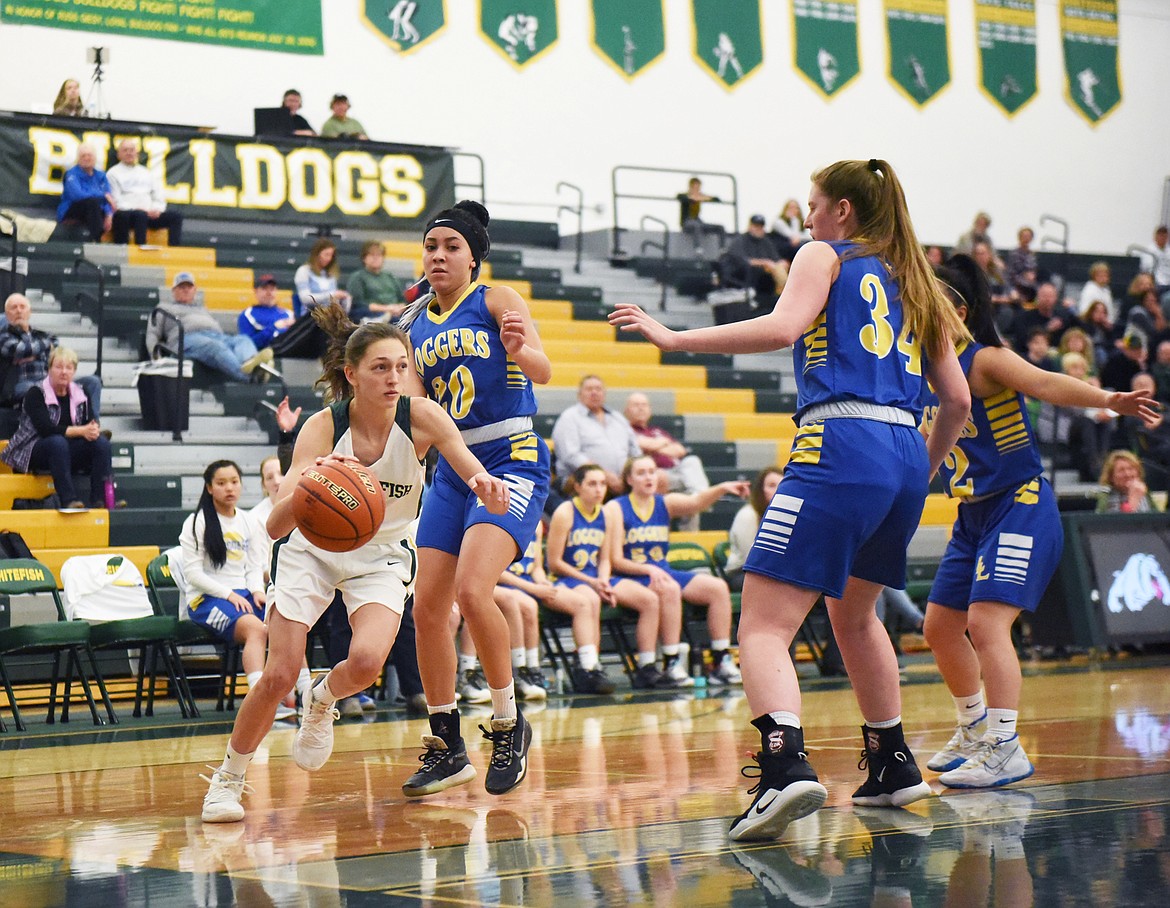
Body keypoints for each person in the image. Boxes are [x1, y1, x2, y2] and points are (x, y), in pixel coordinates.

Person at [610, 158, 973, 842]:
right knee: (857, 618)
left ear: (841, 210)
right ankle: (892, 763)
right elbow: (955, 401)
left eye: (813, 205)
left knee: (763, 624)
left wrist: (674, 337)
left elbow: (783, 327)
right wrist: (918, 472)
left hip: (840, 437)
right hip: (901, 451)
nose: (805, 218)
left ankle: (784, 766)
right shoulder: (919, 282)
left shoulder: (823, 254)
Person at [200, 310, 510, 822]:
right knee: (278, 673)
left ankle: (322, 699)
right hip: (310, 550)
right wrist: (304, 492)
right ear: (351, 375)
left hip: (382, 554)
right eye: (380, 368)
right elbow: (276, 527)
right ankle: (228, 781)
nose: (394, 378)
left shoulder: (425, 417)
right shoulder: (322, 428)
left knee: (366, 663)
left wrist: (488, 489)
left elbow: (473, 472)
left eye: (401, 367)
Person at [920, 254, 1156, 790]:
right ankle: (976, 728)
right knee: (939, 627)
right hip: (973, 512)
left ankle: (1005, 745)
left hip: (1019, 502)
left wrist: (1107, 400)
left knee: (985, 624)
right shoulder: (925, 367)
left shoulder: (984, 360)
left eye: (923, 297)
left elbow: (1047, 383)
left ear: (955, 308)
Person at [400, 199, 551, 799]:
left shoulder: (497, 300)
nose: (438, 255)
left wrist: (519, 350)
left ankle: (509, 722)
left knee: (472, 589)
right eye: (431, 246)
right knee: (428, 606)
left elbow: (541, 369)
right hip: (450, 470)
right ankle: (446, 743)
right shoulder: (412, 322)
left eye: (451, 246)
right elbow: (416, 417)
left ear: (473, 256)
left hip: (511, 458)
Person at [606, 455, 748, 686]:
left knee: (717, 588)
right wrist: (649, 570)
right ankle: (671, 663)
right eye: (641, 473)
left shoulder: (665, 502)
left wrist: (722, 488)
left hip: (661, 571)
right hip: (630, 575)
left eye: (652, 471)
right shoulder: (616, 508)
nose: (648, 477)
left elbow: (697, 503)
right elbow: (614, 560)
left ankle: (721, 660)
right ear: (629, 479)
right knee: (669, 589)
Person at [181, 459, 273, 723]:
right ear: (209, 488)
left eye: (234, 482)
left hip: (242, 595)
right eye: (221, 483)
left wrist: (257, 590)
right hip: (206, 600)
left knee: (283, 621)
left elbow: (254, 565)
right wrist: (229, 594)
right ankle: (260, 703)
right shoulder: (196, 522)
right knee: (256, 629)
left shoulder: (249, 521)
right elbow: (193, 575)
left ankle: (300, 695)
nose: (229, 488)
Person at [0, 346, 114, 510]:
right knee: (56, 442)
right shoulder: (36, 393)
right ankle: (69, 500)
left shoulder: (82, 393)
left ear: (74, 372)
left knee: (101, 444)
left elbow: (88, 423)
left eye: (69, 368)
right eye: (59, 367)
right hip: (32, 449)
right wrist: (82, 431)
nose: (64, 372)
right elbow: (46, 429)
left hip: (65, 449)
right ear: (49, 369)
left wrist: (93, 430)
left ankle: (100, 500)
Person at [544, 463, 620, 694]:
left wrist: (603, 581)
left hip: (591, 579)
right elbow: (554, 562)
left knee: (594, 598)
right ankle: (587, 667)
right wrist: (591, 583)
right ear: (577, 487)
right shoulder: (565, 512)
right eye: (592, 484)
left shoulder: (605, 514)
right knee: (589, 600)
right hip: (562, 579)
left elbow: (605, 559)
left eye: (603, 484)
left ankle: (589, 665)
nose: (599, 489)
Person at [145, 273, 276, 382]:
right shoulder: (164, 308)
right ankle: (250, 377)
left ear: (194, 290)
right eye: (181, 287)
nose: (185, 289)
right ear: (174, 290)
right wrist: (156, 358)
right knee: (215, 347)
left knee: (242, 339)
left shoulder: (202, 309)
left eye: (189, 286)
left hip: (216, 336)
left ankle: (250, 362)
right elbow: (152, 333)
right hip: (187, 339)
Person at [1, 292, 102, 416]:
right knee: (37, 389)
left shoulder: (41, 334)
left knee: (93, 382)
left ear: (29, 312)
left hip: (50, 380)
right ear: (7, 314)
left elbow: (55, 345)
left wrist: (33, 353)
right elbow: (20, 349)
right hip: (22, 383)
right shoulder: (4, 336)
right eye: (14, 307)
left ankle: (93, 426)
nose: (19, 311)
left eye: (22, 307)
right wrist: (42, 348)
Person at [551, 374, 641, 495]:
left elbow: (635, 451)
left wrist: (633, 473)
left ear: (604, 393)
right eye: (589, 389)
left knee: (654, 478)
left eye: (598, 389)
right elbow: (570, 456)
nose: (594, 392)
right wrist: (603, 475)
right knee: (594, 482)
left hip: (624, 480)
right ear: (579, 394)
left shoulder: (618, 418)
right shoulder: (569, 418)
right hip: (582, 480)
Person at [623, 392, 710, 496]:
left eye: (644, 405)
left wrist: (653, 445)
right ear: (627, 411)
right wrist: (662, 442)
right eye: (636, 405)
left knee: (692, 461)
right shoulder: (626, 431)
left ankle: (701, 497)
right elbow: (644, 444)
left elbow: (680, 450)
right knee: (660, 476)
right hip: (654, 475)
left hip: (676, 473)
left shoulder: (656, 431)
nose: (641, 408)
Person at [105, 138, 184, 246]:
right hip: (128, 215)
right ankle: (141, 247)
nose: (129, 153)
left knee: (176, 216)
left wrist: (156, 210)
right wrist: (136, 209)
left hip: (149, 214)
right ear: (119, 155)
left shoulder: (146, 173)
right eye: (125, 150)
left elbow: (158, 196)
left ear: (137, 153)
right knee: (139, 215)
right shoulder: (113, 173)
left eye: (132, 150)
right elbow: (116, 201)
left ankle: (175, 251)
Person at [724, 466, 783, 591]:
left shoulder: (785, 516)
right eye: (772, 485)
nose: (778, 490)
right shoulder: (748, 515)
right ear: (760, 490)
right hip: (741, 572)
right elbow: (751, 558)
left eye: (782, 485)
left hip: (774, 571)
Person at [719, 215, 788, 311]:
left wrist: (781, 263)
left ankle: (784, 296)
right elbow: (742, 261)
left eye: (761, 227)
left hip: (766, 278)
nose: (758, 229)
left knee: (781, 267)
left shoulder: (766, 242)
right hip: (743, 276)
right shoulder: (740, 240)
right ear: (750, 226)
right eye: (756, 226)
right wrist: (764, 263)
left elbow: (776, 259)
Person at [56, 143, 113, 241]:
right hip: (72, 210)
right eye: (83, 156)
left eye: (89, 155)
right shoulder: (71, 174)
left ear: (95, 158)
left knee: (121, 214)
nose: (87, 158)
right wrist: (103, 196)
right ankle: (96, 240)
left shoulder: (101, 176)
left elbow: (108, 199)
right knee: (92, 202)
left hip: (94, 210)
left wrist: (109, 214)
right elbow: (77, 196)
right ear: (78, 159)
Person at [346, 241, 407, 323]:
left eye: (379, 255)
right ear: (364, 258)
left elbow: (402, 299)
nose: (376, 258)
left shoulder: (390, 277)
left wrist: (399, 308)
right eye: (372, 255)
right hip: (371, 313)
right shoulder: (358, 277)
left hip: (394, 312)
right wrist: (387, 309)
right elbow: (358, 303)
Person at [293, 238, 350, 317]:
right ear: (317, 254)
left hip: (329, 316)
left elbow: (334, 300)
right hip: (310, 316)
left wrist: (344, 298)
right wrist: (331, 295)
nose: (329, 259)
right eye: (326, 254)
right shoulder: (304, 271)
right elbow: (305, 298)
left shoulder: (330, 274)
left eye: (331, 256)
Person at [237, 274, 294, 351]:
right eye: (264, 289)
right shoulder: (247, 315)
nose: (269, 293)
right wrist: (274, 328)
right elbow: (247, 344)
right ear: (256, 291)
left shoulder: (289, 314)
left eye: (272, 289)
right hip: (263, 352)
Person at [677, 176, 722, 257]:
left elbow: (716, 199)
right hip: (687, 222)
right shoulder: (685, 196)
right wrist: (693, 198)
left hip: (697, 221)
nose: (697, 190)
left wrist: (705, 198)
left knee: (720, 227)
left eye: (698, 188)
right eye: (695, 187)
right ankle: (698, 249)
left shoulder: (700, 196)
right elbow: (679, 197)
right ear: (690, 187)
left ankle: (722, 250)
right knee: (696, 225)